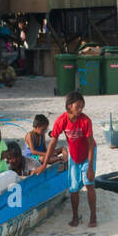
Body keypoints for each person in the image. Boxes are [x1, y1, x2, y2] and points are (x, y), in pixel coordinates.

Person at [35, 90, 96, 227]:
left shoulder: (86, 121)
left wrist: (90, 166)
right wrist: (44, 164)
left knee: (89, 183)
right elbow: (53, 143)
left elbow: (91, 144)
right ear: (69, 106)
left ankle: (93, 216)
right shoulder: (61, 121)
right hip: (74, 155)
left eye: (82, 107)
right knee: (73, 187)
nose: (80, 110)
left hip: (88, 154)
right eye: (77, 106)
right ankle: (75, 217)